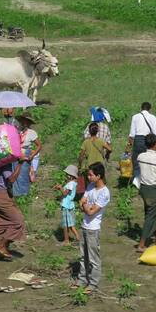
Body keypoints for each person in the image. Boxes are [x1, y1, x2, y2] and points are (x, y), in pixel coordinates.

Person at [0, 158, 27, 262]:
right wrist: (20, 164)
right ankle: (1, 245)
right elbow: (11, 179)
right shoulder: (5, 165)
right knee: (18, 221)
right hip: (2, 195)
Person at [76, 162, 110, 293]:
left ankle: (94, 283)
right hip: (84, 226)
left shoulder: (104, 193)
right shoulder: (90, 186)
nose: (88, 177)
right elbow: (82, 203)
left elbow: (91, 212)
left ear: (98, 176)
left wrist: (84, 205)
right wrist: (84, 205)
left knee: (93, 258)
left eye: (91, 175)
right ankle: (82, 279)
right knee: (82, 256)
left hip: (93, 229)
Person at [135, 133, 156, 253]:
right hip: (153, 190)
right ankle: (141, 244)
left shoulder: (140, 157)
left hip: (143, 189)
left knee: (153, 213)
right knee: (150, 216)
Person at [127, 102, 156, 178]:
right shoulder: (153, 117)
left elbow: (131, 134)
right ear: (150, 109)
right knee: (147, 161)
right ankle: (147, 179)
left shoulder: (135, 117)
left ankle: (136, 181)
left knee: (136, 161)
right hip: (148, 140)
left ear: (141, 108)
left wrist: (129, 147)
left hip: (137, 140)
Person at [78, 123, 110, 192]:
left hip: (90, 166)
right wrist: (107, 155)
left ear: (89, 131)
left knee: (89, 184)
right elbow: (110, 149)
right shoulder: (101, 141)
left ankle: (89, 197)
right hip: (99, 165)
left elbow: (81, 156)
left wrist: (79, 165)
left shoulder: (86, 142)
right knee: (101, 181)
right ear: (97, 130)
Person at [14, 114, 41, 196]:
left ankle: (23, 194)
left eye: (25, 121)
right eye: (22, 120)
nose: (23, 122)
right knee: (15, 173)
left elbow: (39, 145)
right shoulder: (17, 130)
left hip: (25, 153)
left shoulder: (31, 132)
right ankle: (15, 193)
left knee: (24, 173)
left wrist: (32, 156)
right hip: (16, 153)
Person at [57, 165, 81, 245]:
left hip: (66, 205)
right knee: (70, 224)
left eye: (67, 174)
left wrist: (60, 188)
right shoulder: (73, 183)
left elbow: (64, 193)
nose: (66, 175)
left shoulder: (70, 184)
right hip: (69, 205)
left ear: (71, 176)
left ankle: (66, 240)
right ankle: (77, 238)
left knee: (65, 224)